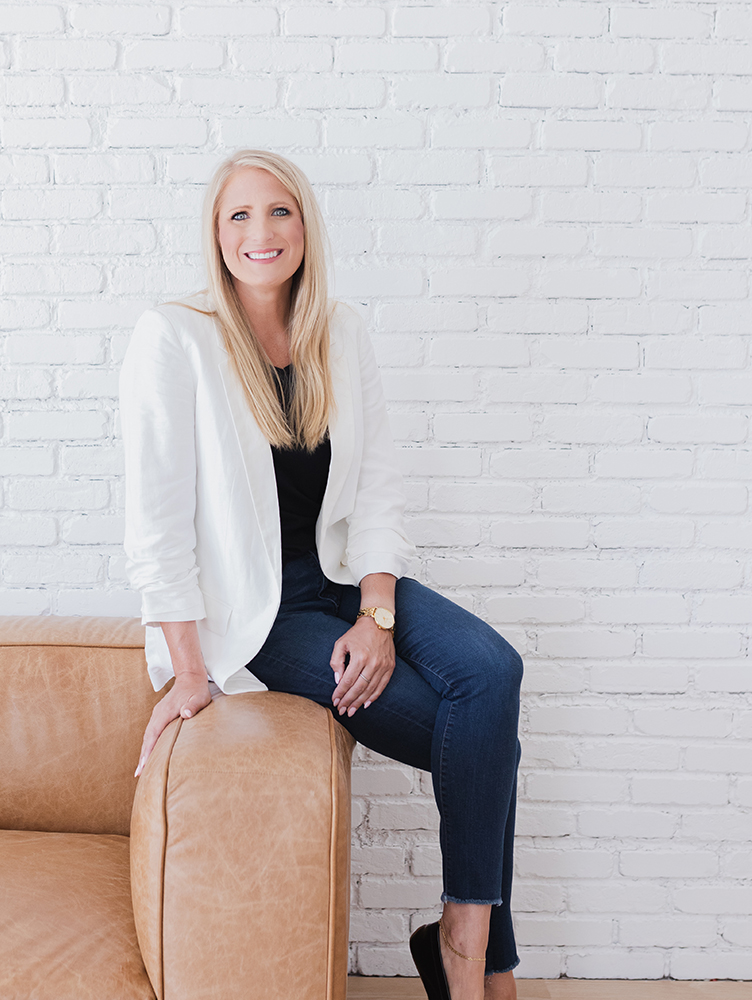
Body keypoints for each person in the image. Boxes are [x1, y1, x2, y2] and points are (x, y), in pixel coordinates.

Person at [119, 149, 523, 1000]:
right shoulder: (175, 338)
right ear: (215, 233)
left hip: (345, 580)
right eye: (239, 216)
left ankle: (463, 936)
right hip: (266, 613)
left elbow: (375, 484)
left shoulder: (339, 331)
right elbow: (155, 523)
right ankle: (486, 964)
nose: (260, 233)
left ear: (305, 227)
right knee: (475, 734)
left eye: (280, 213)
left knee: (493, 673)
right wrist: (189, 671)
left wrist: (377, 612)